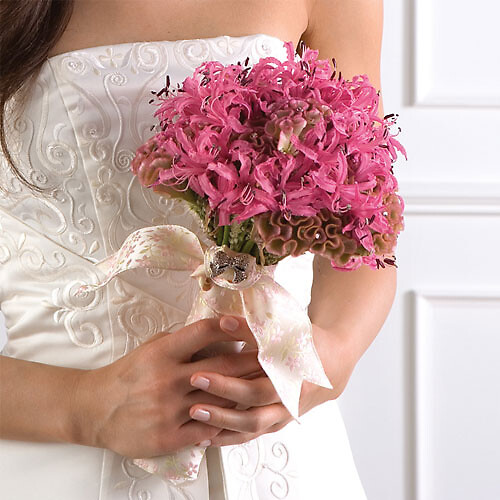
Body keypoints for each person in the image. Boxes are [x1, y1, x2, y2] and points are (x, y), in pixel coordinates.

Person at [0, 1, 397, 498]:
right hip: (64, 457)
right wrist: (84, 408)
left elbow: (364, 217)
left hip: (287, 449)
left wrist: (334, 352)